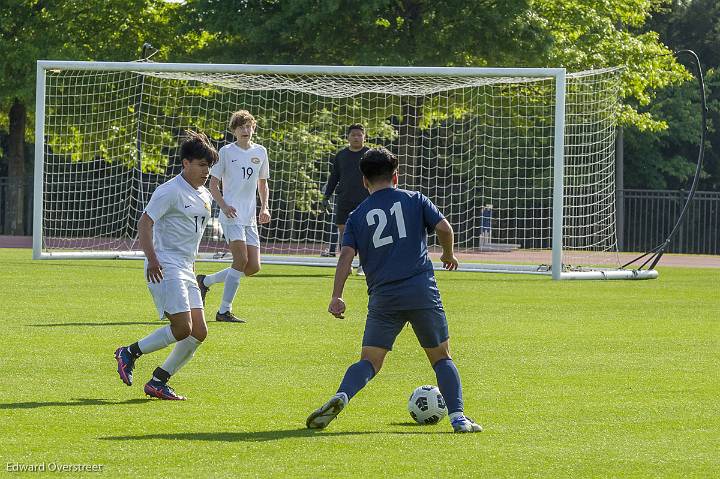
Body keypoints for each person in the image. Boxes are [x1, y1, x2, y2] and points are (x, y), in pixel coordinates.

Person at [305, 147, 482, 433]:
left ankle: (343, 395)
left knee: (369, 361)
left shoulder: (357, 215)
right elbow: (445, 229)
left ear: (364, 181)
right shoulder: (415, 199)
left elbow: (346, 256)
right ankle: (459, 417)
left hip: (384, 298)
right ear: (396, 176)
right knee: (441, 357)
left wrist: (337, 295)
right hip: (421, 291)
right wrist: (448, 255)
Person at [114, 130, 218, 400]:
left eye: (208, 166)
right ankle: (129, 352)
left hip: (186, 268)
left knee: (199, 332)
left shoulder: (205, 195)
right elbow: (145, 222)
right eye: (201, 165)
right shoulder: (169, 190)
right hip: (165, 266)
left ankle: (159, 381)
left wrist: (193, 266)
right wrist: (152, 259)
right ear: (186, 163)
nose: (206, 171)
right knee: (182, 328)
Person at [196, 110, 271, 323]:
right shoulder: (226, 152)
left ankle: (206, 281)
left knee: (253, 267)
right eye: (241, 127)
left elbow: (263, 183)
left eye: (249, 126)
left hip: (249, 217)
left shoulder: (261, 152)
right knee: (241, 260)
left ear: (253, 128)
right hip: (231, 215)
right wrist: (224, 206)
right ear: (234, 131)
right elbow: (212, 184)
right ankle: (223, 311)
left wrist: (264, 207)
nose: (245, 130)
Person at [321, 124, 369, 273]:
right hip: (344, 198)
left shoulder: (370, 154)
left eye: (359, 135)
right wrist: (326, 196)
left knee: (364, 231)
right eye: (353, 134)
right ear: (347, 137)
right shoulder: (341, 155)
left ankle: (363, 265)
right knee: (344, 231)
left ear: (364, 137)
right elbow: (334, 177)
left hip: (365, 199)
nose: (356, 137)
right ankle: (346, 264)